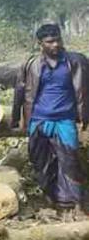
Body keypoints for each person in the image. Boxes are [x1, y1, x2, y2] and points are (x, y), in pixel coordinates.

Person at [12, 24, 88, 213]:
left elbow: (85, 90)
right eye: (50, 42)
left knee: (70, 161)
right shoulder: (31, 65)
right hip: (38, 120)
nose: (55, 44)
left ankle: (77, 204)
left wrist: (84, 115)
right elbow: (20, 92)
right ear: (40, 44)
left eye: (58, 40)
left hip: (65, 119)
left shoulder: (76, 61)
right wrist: (16, 119)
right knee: (41, 162)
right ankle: (51, 201)